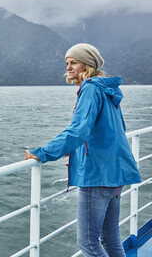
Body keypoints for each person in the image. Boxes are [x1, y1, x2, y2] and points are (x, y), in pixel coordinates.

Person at [24, 43, 141, 257]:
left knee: (88, 243)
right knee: (110, 237)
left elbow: (78, 130)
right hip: (116, 171)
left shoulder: (91, 88)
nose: (68, 67)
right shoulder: (107, 90)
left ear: (87, 65)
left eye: (74, 62)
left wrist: (43, 152)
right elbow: (117, 128)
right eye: (67, 63)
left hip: (98, 173)